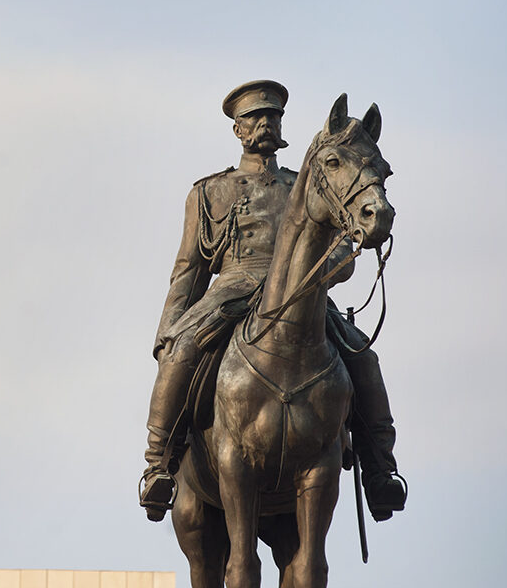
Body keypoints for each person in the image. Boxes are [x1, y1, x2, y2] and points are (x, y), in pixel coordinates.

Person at [139, 79, 406, 523]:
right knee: (184, 350)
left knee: (364, 356)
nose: (265, 123)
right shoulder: (210, 191)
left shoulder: (308, 183)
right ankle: (158, 464)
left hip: (302, 292)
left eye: (272, 116)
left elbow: (342, 246)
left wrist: (325, 270)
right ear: (238, 130)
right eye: (254, 118)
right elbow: (188, 270)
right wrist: (168, 332)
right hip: (233, 288)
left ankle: (380, 469)